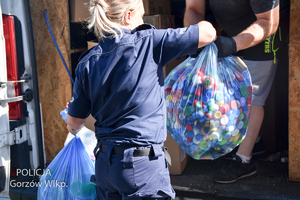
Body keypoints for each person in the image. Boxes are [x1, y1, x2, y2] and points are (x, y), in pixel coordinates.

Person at [66, 0, 216, 199]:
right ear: (128, 16)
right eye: (141, 16)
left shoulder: (87, 61)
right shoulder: (149, 42)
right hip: (142, 167)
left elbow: (74, 123)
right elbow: (208, 33)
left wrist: (72, 122)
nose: (142, 20)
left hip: (105, 167)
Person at [184, 0, 280, 183]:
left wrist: (234, 44)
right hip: (231, 33)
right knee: (230, 94)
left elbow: (269, 21)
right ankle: (256, 141)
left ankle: (244, 161)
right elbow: (194, 9)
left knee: (253, 97)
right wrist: (194, 38)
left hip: (264, 34)